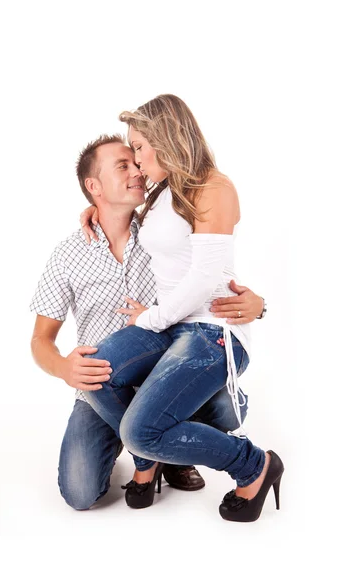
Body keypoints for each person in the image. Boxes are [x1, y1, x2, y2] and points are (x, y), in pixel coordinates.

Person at [30, 134, 265, 511]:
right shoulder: (68, 255)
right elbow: (40, 339)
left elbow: (211, 271)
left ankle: (154, 447)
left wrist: (257, 303)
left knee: (225, 409)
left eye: (136, 162)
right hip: (99, 386)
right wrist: (63, 368)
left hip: (166, 367)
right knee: (79, 493)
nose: (137, 170)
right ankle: (154, 449)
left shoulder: (161, 232)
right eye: (122, 166)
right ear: (94, 187)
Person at [80, 94, 283, 522]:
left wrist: (151, 318)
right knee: (93, 374)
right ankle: (151, 457)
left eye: (138, 147)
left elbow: (205, 279)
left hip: (209, 331)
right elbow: (138, 221)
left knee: (139, 430)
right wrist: (94, 209)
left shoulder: (214, 186)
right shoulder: (161, 191)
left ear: (165, 138)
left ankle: (253, 465)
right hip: (167, 328)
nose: (135, 162)